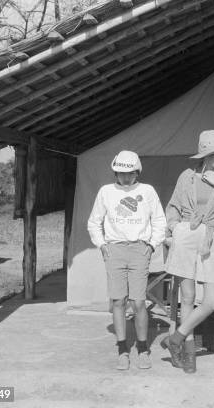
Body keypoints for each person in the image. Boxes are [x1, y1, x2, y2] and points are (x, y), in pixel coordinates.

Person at [162, 130, 214, 374]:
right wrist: (175, 228)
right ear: (205, 156)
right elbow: (173, 206)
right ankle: (188, 352)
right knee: (186, 297)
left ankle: (176, 337)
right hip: (186, 235)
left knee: (211, 301)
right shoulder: (187, 176)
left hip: (211, 237)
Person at [87, 150, 167, 370]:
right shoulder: (106, 191)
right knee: (118, 301)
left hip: (140, 249)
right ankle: (122, 348)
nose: (124, 177)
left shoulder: (147, 191)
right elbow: (94, 222)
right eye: (120, 172)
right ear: (115, 171)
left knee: (138, 301)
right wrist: (102, 245)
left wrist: (151, 245)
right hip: (114, 249)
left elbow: (160, 221)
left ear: (137, 171)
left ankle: (143, 348)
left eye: (129, 172)